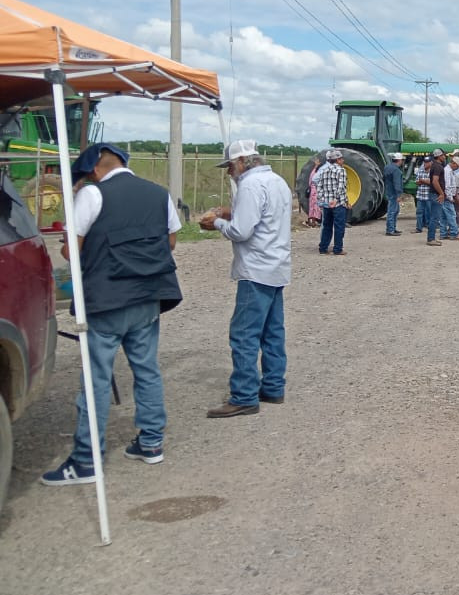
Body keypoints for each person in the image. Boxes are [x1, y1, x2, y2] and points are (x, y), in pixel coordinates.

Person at [42, 143, 182, 485]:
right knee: (146, 370)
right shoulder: (159, 193)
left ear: (94, 169)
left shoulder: (91, 195)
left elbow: (70, 251)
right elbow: (171, 242)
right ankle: (151, 443)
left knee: (96, 380)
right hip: (148, 297)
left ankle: (86, 459)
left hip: (107, 300)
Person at [200, 140, 292, 418]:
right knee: (272, 332)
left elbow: (241, 231)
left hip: (256, 269)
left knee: (244, 334)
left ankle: (244, 395)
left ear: (241, 162)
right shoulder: (277, 181)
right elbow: (263, 216)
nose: (229, 172)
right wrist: (226, 212)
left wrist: (216, 223)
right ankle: (273, 386)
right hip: (276, 266)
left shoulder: (250, 185)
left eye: (229, 166)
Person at [313, 149, 348, 255]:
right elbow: (341, 187)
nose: (343, 160)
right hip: (338, 204)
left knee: (327, 226)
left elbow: (319, 187)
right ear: (337, 160)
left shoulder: (324, 170)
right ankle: (338, 249)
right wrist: (336, 199)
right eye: (341, 159)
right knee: (339, 227)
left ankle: (323, 248)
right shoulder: (341, 171)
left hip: (327, 203)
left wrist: (322, 201)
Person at [425, 149, 448, 245]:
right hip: (436, 194)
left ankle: (431, 237)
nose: (445, 157)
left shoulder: (434, 165)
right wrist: (441, 193)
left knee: (434, 217)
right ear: (439, 156)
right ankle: (431, 239)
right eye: (443, 155)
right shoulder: (438, 166)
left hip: (434, 194)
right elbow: (435, 181)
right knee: (435, 217)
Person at [443, 155, 459, 239]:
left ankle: (443, 234)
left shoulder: (449, 170)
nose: (457, 168)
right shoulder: (447, 171)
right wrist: (450, 198)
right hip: (448, 196)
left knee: (444, 216)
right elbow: (447, 186)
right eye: (457, 166)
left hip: (448, 196)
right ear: (454, 163)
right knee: (452, 215)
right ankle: (454, 233)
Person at [382, 152, 404, 236]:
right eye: (402, 160)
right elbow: (397, 183)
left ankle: (393, 228)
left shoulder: (387, 167)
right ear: (399, 160)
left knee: (395, 210)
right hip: (394, 193)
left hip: (389, 191)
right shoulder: (396, 170)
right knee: (392, 211)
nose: (402, 161)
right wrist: (399, 195)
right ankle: (390, 230)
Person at [414, 156, 433, 233]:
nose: (425, 164)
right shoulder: (420, 171)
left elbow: (432, 182)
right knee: (419, 212)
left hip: (429, 196)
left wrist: (422, 180)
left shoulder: (433, 172)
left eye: (427, 162)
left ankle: (430, 227)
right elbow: (416, 182)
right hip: (420, 195)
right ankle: (419, 228)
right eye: (425, 162)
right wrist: (425, 181)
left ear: (431, 163)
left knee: (430, 212)